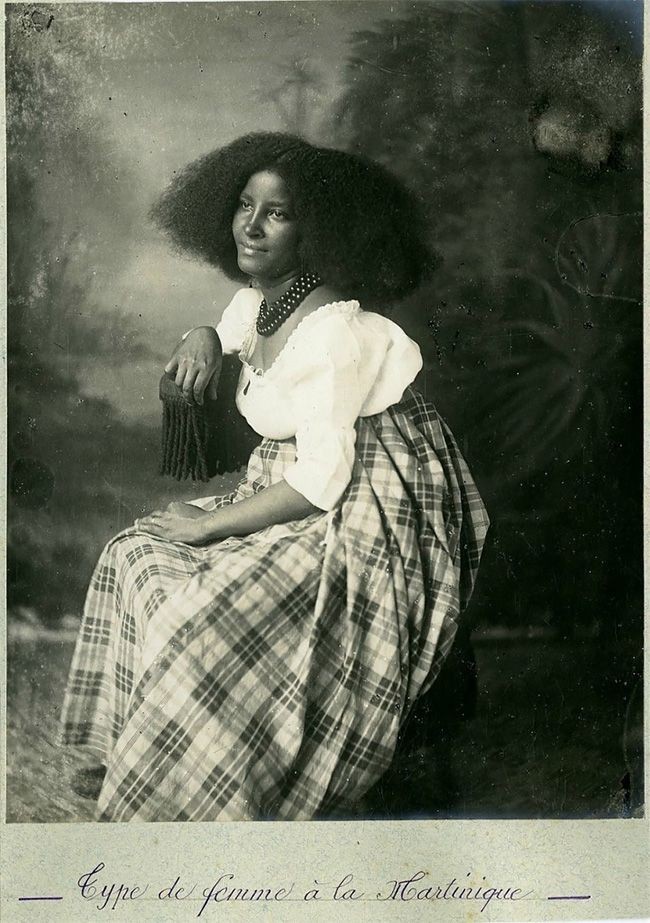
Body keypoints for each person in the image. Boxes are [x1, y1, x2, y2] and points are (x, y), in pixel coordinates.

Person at [59, 132, 489, 822]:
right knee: (131, 553)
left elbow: (324, 482)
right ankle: (143, 756)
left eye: (277, 213)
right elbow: (228, 337)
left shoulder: (332, 332)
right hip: (292, 480)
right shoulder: (259, 302)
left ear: (315, 231)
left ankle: (208, 786)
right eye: (243, 204)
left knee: (204, 612)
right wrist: (197, 332)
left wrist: (206, 524)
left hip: (364, 509)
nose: (250, 226)